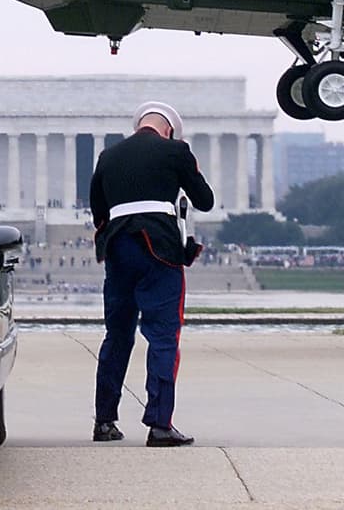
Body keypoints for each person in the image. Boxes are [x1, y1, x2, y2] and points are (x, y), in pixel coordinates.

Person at [88, 101, 214, 447]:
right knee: (162, 335)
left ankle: (104, 421)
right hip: (158, 247)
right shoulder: (175, 151)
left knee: (117, 335)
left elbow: (98, 209)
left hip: (117, 248)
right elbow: (204, 200)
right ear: (169, 129)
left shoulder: (107, 157)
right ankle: (159, 424)